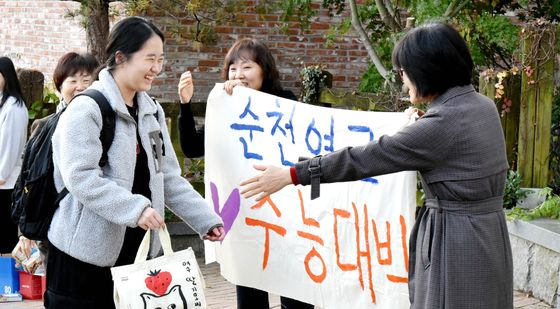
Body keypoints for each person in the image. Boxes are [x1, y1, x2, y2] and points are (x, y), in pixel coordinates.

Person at [239, 22, 513, 309]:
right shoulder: (482, 105)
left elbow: (365, 157)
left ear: (425, 70)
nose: (402, 80)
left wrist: (293, 174)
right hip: (488, 234)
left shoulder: (442, 124)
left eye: (403, 72)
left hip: (456, 242)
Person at [45, 16, 225, 309]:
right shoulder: (87, 109)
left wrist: (205, 219)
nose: (157, 67)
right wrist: (136, 208)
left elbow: (167, 176)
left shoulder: (150, 110)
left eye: (161, 59)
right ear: (120, 57)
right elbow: (81, 177)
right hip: (82, 258)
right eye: (150, 58)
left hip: (136, 258)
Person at [178, 38, 314, 309]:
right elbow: (192, 148)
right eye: (232, 69)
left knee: (297, 292)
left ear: (264, 70)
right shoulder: (227, 108)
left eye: (247, 67)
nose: (238, 75)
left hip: (287, 211)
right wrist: (185, 104)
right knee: (250, 289)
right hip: (249, 211)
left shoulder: (285, 100)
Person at [17, 51, 100, 265]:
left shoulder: (106, 127)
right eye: (72, 80)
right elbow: (29, 178)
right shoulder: (44, 126)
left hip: (94, 229)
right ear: (60, 87)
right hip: (54, 224)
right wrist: (25, 230)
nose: (80, 86)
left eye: (87, 80)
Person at [0, 56, 28, 253]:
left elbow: (10, 146)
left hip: (6, 182)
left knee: (5, 237)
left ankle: (6, 281)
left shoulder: (15, 106)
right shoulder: (3, 102)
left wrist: (1, 175)